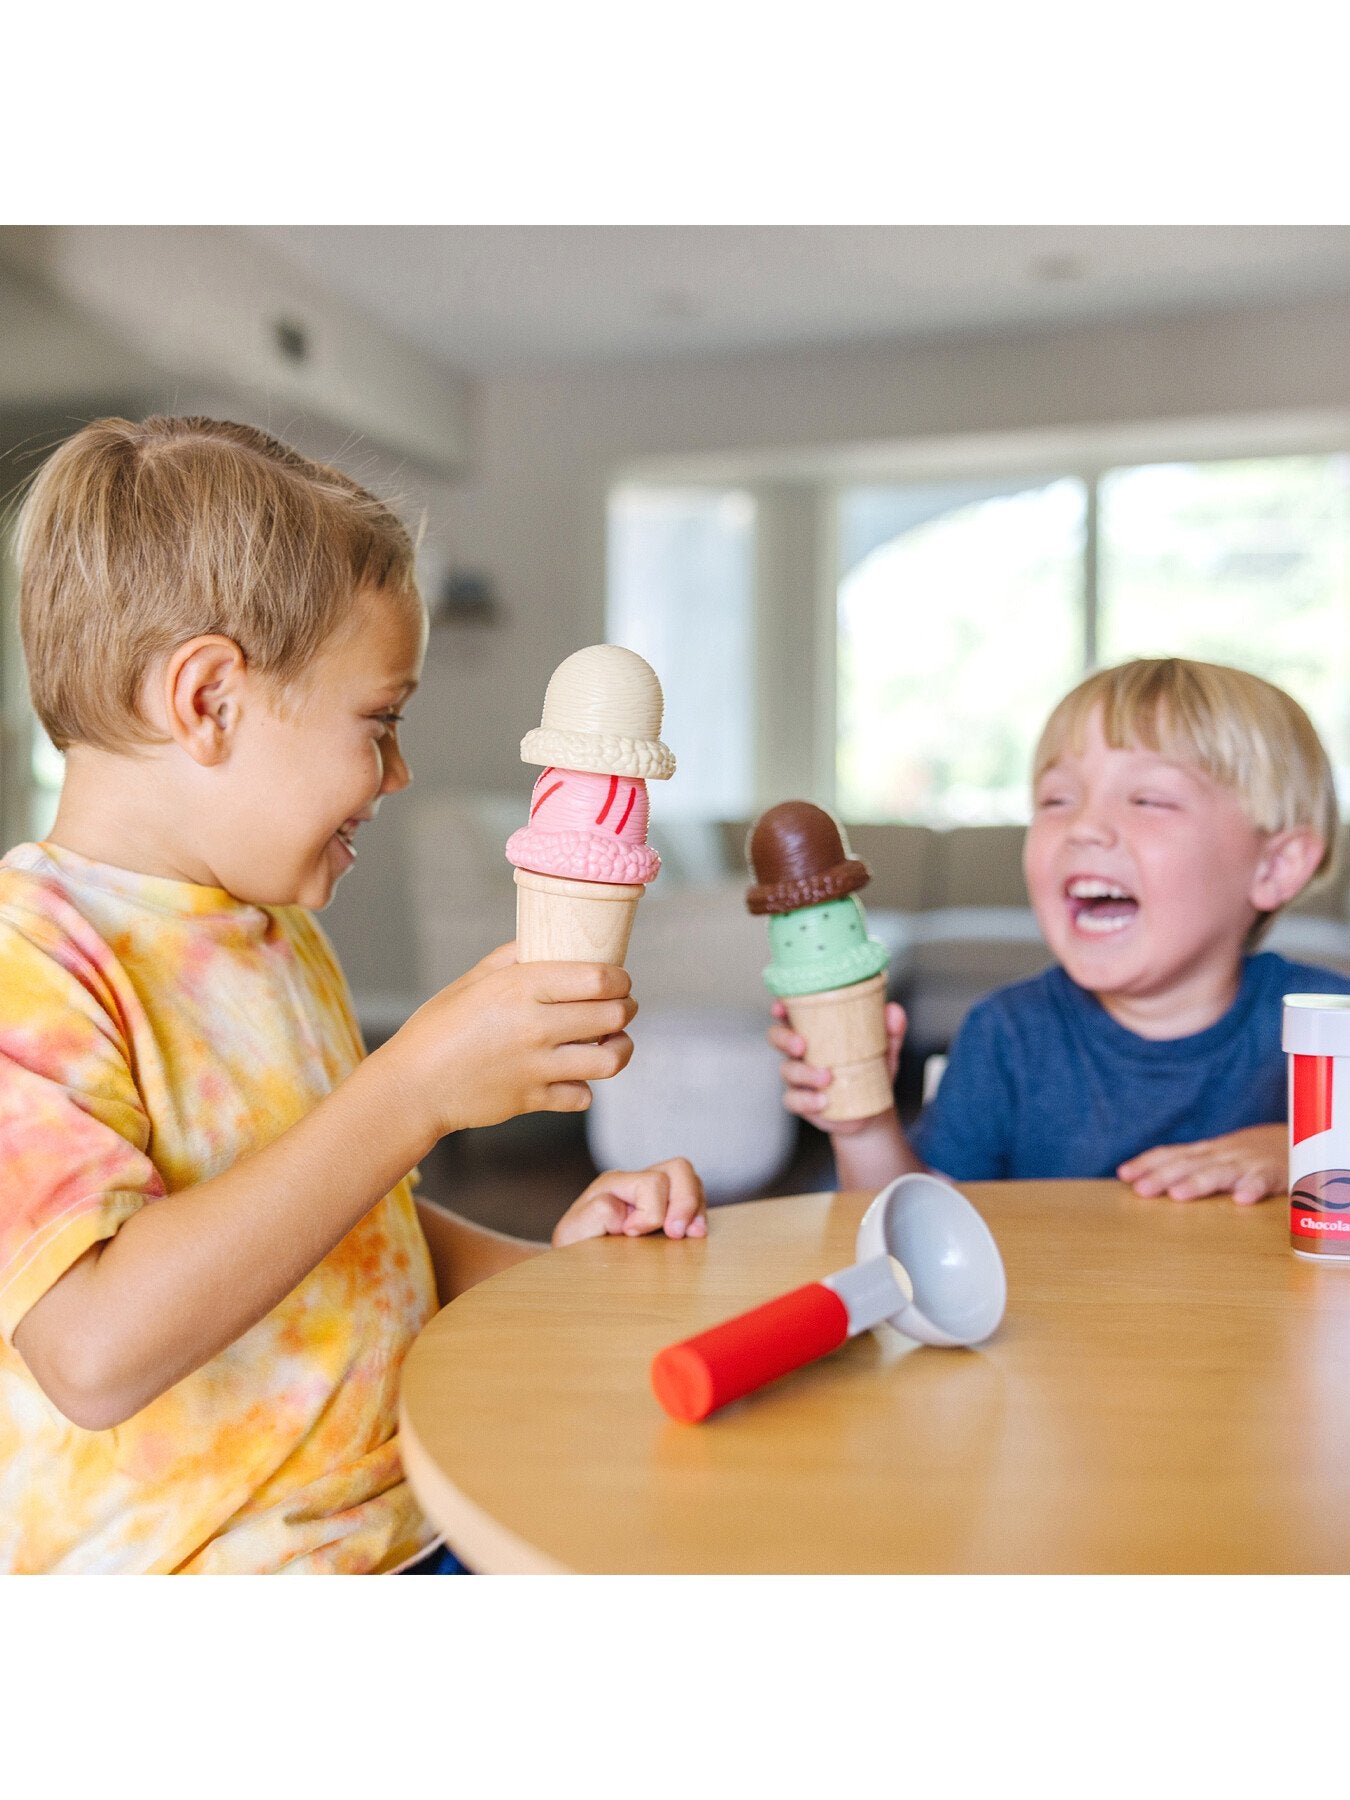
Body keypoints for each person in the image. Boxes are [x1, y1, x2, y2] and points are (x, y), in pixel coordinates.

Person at [0, 416, 705, 1575]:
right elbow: (91, 1351)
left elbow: (355, 1235)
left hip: (409, 1524)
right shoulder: (32, 964)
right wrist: (412, 1088)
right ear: (210, 700)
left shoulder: (276, 934)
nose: (400, 770)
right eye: (380, 721)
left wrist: (557, 1278)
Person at [772, 656, 1350, 1205]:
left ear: (1274, 868)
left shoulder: (1332, 1026)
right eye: (1056, 800)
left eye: (1148, 799)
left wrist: (1313, 1153)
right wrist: (865, 1127)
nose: (1084, 827)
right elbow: (918, 1233)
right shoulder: (1007, 1036)